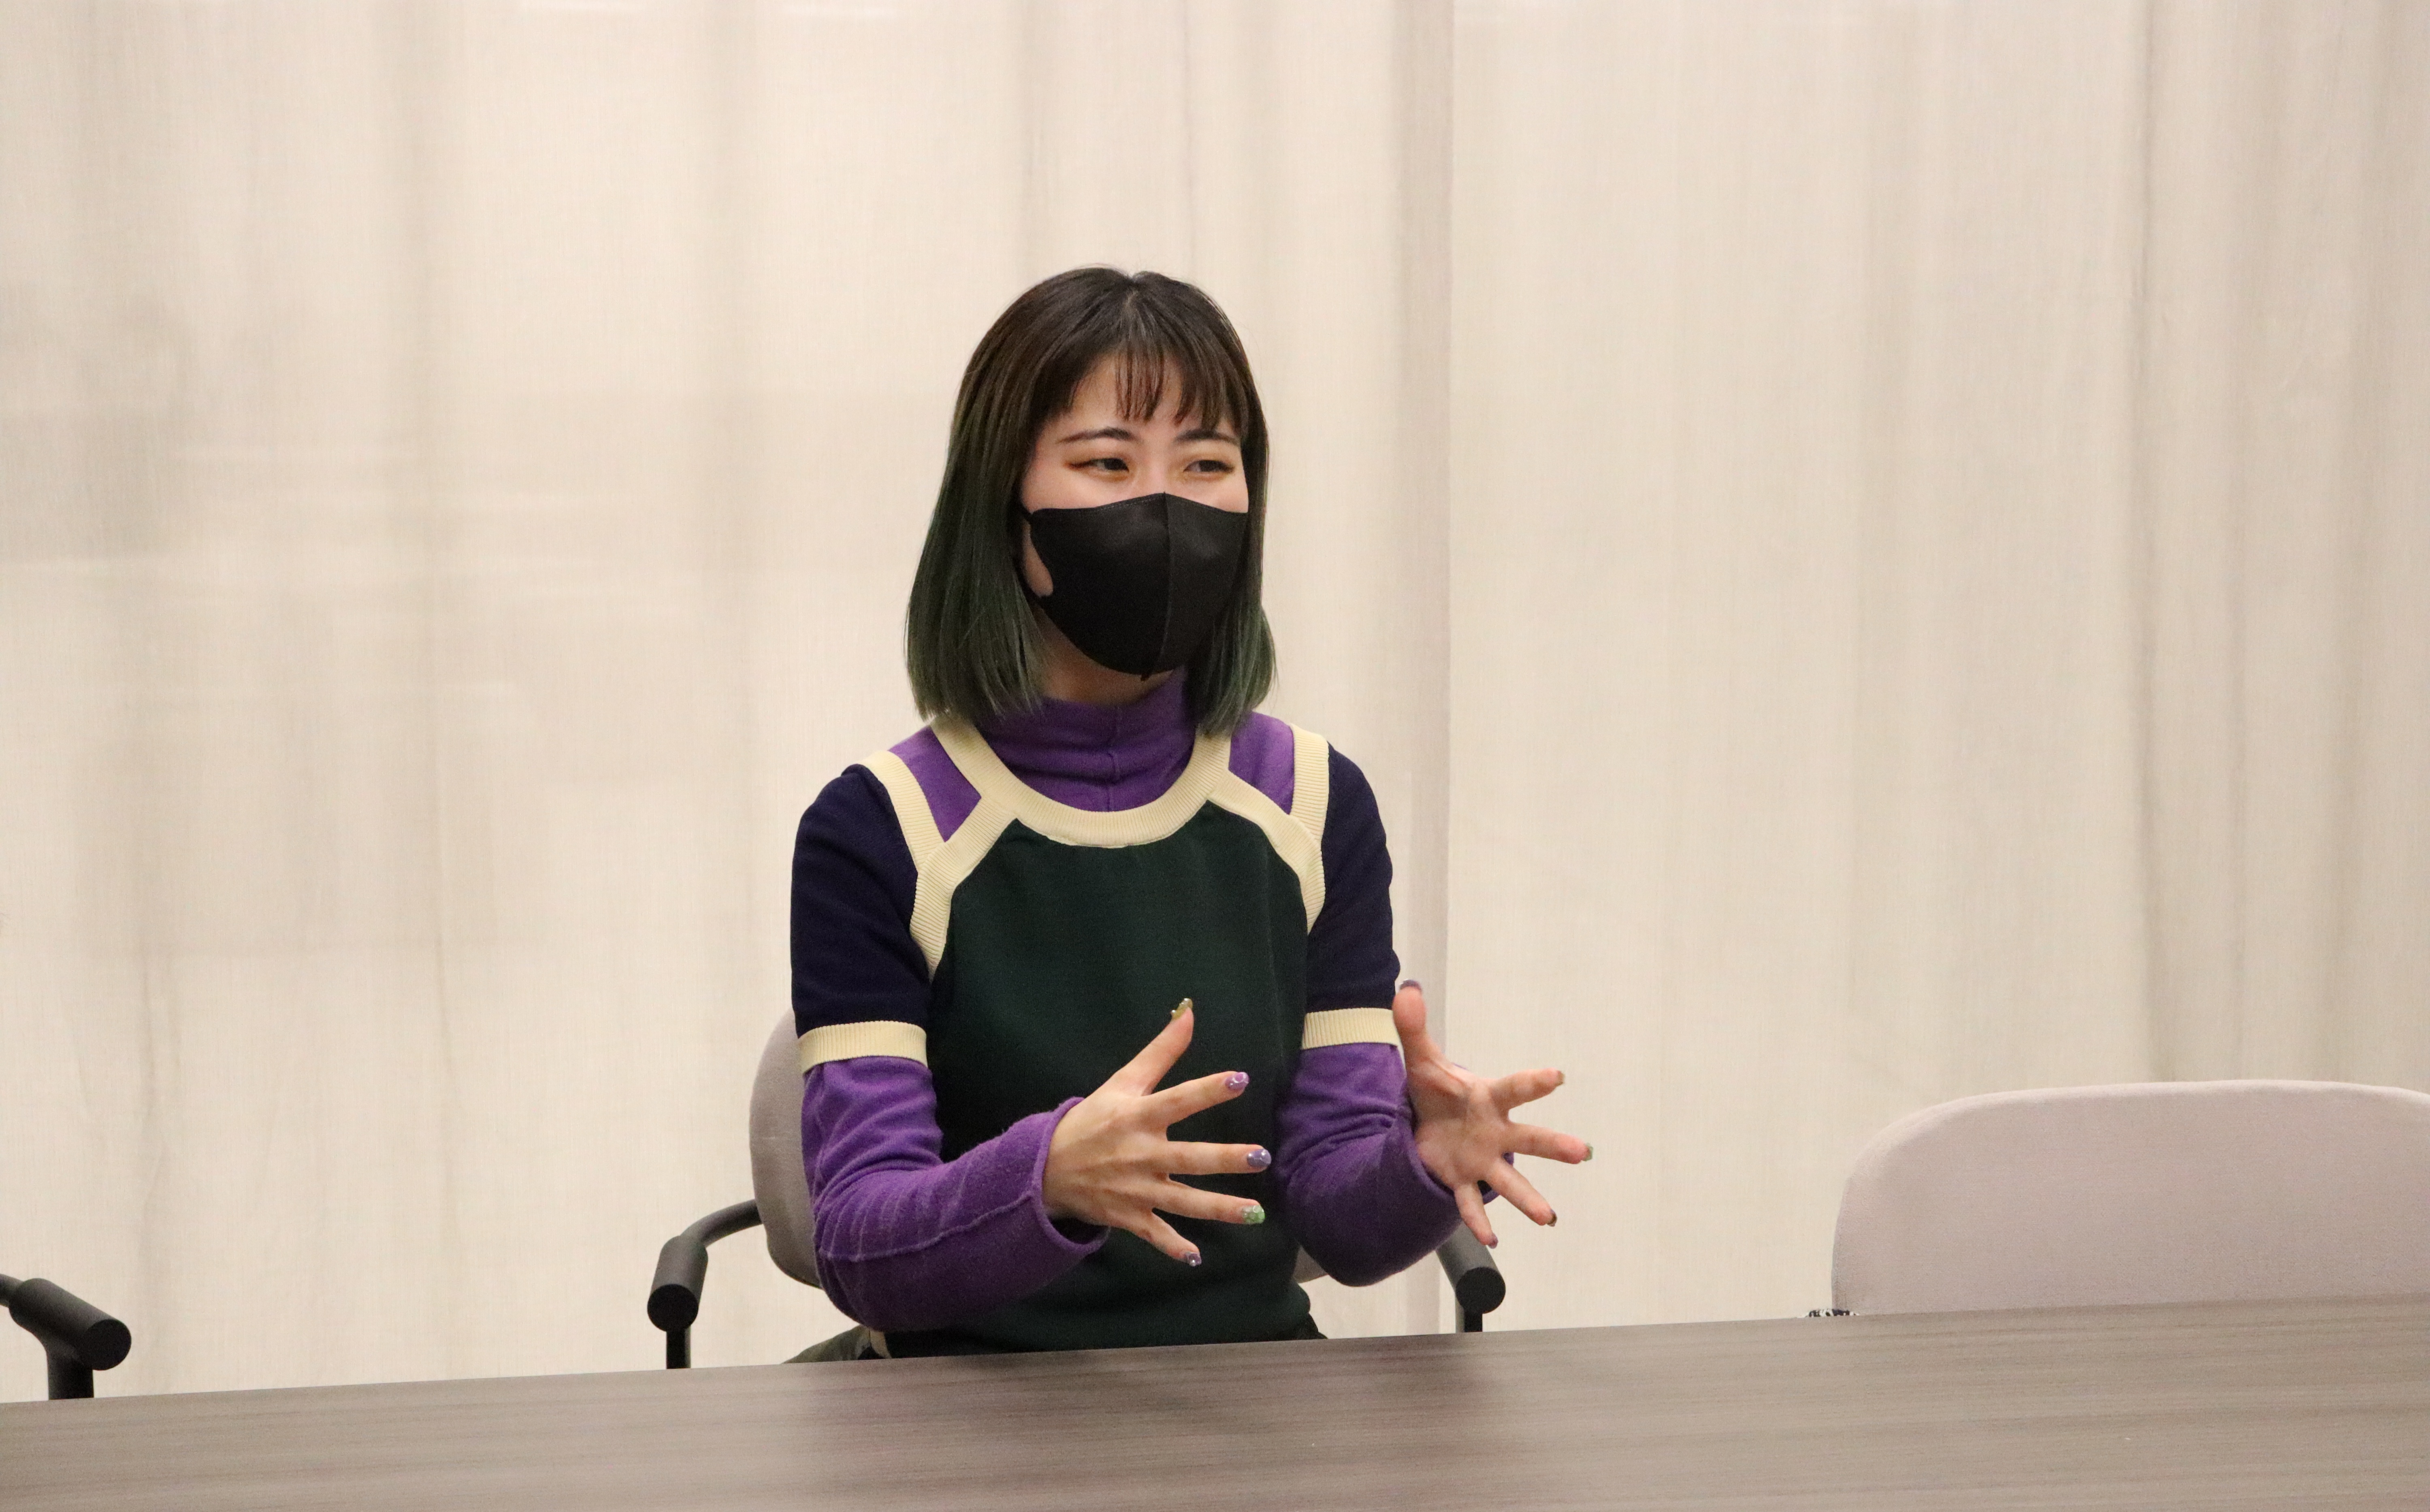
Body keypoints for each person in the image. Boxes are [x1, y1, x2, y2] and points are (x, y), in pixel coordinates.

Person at [790, 266, 1588, 1358]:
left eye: (1207, 464)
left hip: (1255, 1400)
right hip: (964, 1410)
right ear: (1003, 510)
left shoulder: (1314, 800)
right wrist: (1047, 1179)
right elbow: (858, 1241)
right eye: (1108, 463)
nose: (1166, 507)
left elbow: (1339, 1221)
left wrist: (1420, 1166)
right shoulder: (882, 827)